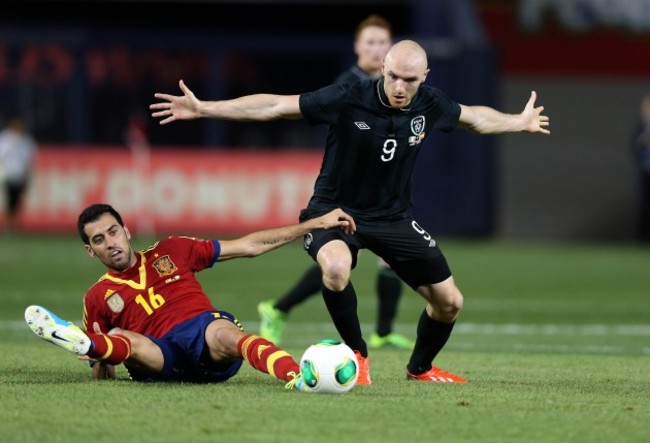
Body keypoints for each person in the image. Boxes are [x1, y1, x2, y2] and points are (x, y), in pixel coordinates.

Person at [149, 39, 550, 385]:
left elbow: (475, 118)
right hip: (333, 213)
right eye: (392, 76)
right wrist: (205, 109)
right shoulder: (348, 97)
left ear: (424, 76)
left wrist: (518, 121)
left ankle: (421, 369)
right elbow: (274, 105)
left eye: (409, 80)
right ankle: (357, 355)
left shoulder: (431, 104)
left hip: (394, 217)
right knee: (337, 268)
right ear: (381, 68)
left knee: (449, 302)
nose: (399, 86)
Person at [25, 203, 355, 390]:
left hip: (201, 335)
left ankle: (298, 377)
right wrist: (99, 360)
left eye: (113, 232)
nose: (110, 243)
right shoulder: (97, 296)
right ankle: (84, 342)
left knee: (226, 334)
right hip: (160, 360)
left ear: (126, 231)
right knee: (119, 338)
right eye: (99, 240)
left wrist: (314, 224)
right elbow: (104, 374)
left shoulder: (172, 250)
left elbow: (249, 246)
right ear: (90, 250)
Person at [257, 13, 413, 351]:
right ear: (357, 46)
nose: (376, 48)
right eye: (370, 42)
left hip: (380, 196)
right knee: (338, 263)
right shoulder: (350, 85)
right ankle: (278, 307)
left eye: (382, 43)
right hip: (345, 193)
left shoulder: (398, 88)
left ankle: (383, 331)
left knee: (391, 257)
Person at [0, 115, 37, 232]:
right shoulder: (5, 138)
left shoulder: (26, 140)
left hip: (21, 175)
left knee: (17, 200)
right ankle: (9, 224)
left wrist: (28, 174)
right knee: (10, 199)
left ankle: (13, 223)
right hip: (9, 174)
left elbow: (30, 158)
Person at [630, 94, 650, 243]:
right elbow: (634, 148)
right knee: (644, 205)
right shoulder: (641, 127)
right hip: (644, 172)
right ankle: (641, 238)